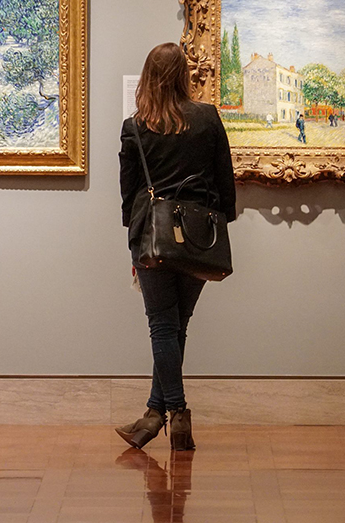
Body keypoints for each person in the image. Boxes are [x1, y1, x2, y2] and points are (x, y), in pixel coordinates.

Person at [116, 43, 236, 451]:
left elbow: (128, 192)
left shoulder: (136, 126)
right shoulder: (207, 117)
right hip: (200, 236)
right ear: (184, 74)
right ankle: (153, 414)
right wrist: (219, 222)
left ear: (148, 77)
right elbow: (225, 181)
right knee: (175, 327)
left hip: (153, 237)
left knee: (162, 327)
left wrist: (133, 242)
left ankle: (177, 414)